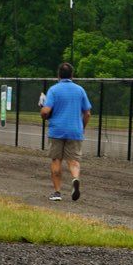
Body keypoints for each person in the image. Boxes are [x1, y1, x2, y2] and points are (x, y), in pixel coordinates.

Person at [41, 62, 91, 201]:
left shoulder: (54, 90)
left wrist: (43, 113)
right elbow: (87, 113)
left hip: (57, 130)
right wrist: (82, 127)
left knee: (56, 160)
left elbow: (46, 110)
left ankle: (57, 193)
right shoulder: (80, 90)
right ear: (72, 75)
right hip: (75, 130)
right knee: (73, 161)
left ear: (58, 75)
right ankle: (75, 179)